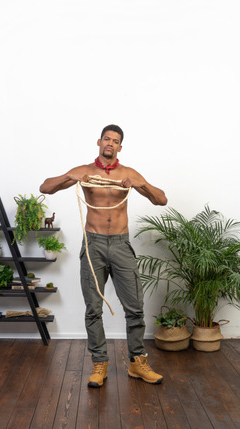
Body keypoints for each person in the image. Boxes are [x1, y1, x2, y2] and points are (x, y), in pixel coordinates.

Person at [40, 124, 167, 388]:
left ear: (120, 147)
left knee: (135, 308)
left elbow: (161, 200)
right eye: (106, 139)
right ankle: (100, 363)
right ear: (99, 142)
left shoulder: (128, 174)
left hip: (121, 244)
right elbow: (45, 187)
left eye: (116, 140)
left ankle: (137, 363)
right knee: (93, 309)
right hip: (93, 244)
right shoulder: (84, 171)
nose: (110, 143)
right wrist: (72, 179)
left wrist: (141, 184)